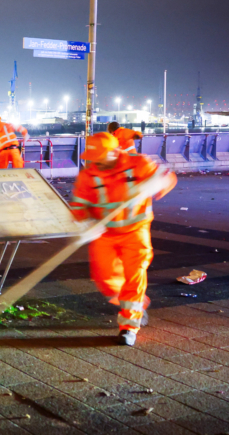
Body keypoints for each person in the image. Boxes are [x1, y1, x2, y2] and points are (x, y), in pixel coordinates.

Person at [69, 132, 176, 346]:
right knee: (105, 279)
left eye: (99, 156)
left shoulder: (137, 164)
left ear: (114, 151)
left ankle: (129, 327)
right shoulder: (89, 175)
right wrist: (84, 225)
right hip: (105, 234)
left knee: (134, 277)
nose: (95, 161)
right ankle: (138, 303)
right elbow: (79, 206)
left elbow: (167, 179)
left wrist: (152, 185)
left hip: (135, 232)